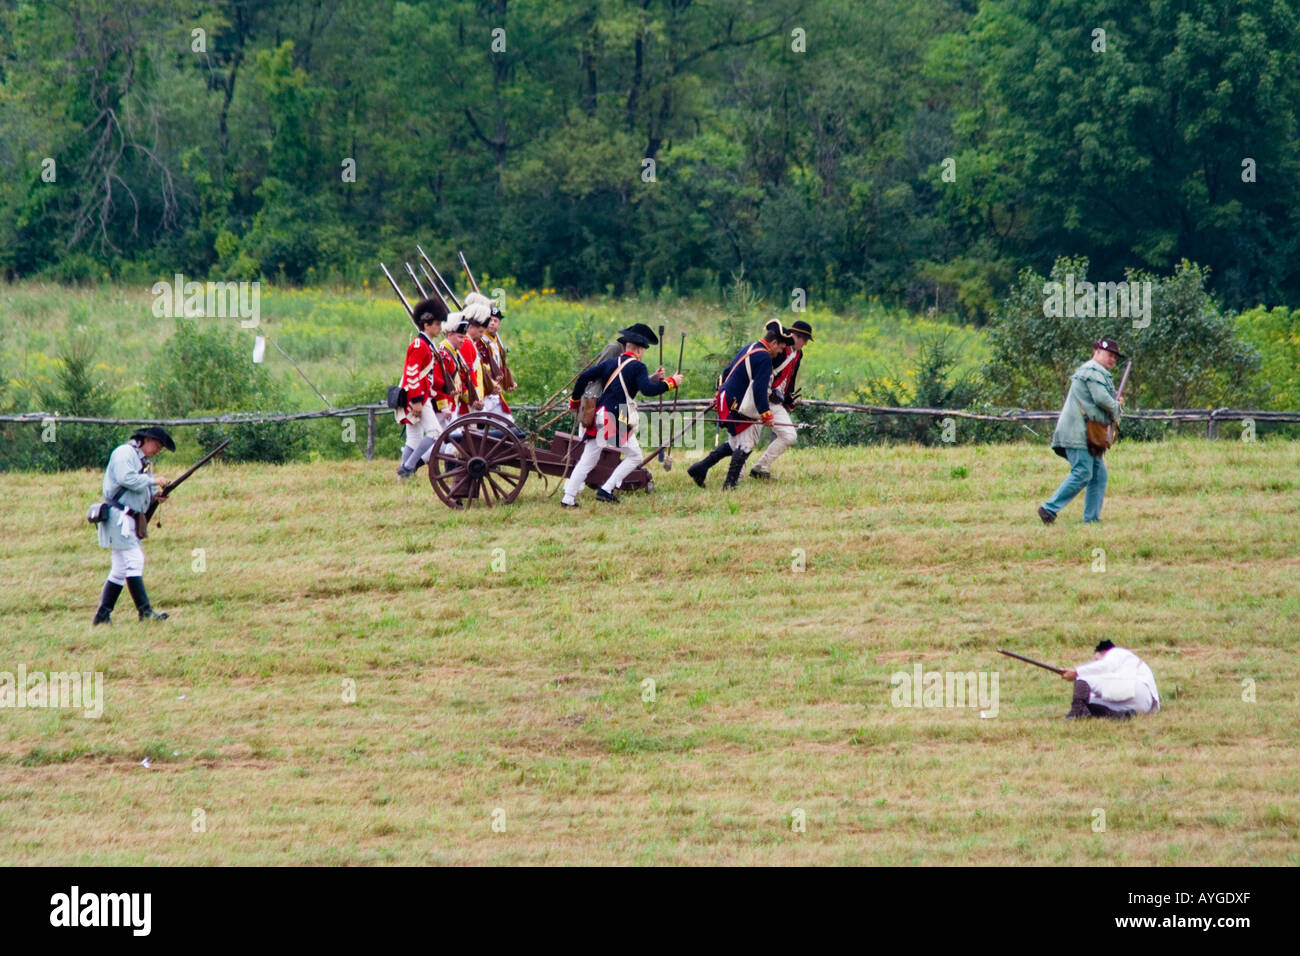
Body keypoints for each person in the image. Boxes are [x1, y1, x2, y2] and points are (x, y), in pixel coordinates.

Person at [560, 323, 682, 507]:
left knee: (588, 459)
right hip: (615, 418)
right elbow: (648, 390)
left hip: (600, 414)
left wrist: (575, 401)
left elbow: (584, 377)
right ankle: (606, 489)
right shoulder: (638, 367)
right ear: (640, 349)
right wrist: (671, 382)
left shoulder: (611, 363)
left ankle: (568, 498)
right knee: (635, 456)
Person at [687, 320, 792, 489]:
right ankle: (730, 484)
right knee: (746, 444)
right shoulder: (764, 357)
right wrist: (767, 414)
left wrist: (718, 393)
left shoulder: (750, 347)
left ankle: (700, 468)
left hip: (727, 398)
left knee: (735, 443)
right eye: (780, 347)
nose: (780, 351)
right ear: (773, 343)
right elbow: (759, 389)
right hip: (737, 403)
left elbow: (727, 372)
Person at [1039, 337, 1124, 524]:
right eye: (1110, 355)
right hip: (1077, 433)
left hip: (1085, 434)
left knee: (1099, 475)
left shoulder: (1097, 372)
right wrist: (1116, 406)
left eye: (1115, 357)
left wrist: (1115, 404)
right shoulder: (1092, 371)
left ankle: (1091, 519)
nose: (1112, 360)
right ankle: (1049, 508)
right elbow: (1101, 399)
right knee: (1083, 472)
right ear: (1098, 352)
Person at [92, 427, 173, 624]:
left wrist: (156, 495)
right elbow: (126, 479)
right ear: (147, 439)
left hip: (128, 518)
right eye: (157, 445)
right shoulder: (124, 453)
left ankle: (102, 615)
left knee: (120, 568)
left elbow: (143, 487)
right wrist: (153, 480)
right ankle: (145, 612)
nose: (158, 450)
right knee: (135, 560)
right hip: (119, 516)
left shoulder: (143, 461)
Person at [750, 319, 812, 479]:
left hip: (776, 401)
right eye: (804, 340)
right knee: (748, 441)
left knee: (789, 435)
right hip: (759, 397)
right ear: (796, 336)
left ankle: (760, 467)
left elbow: (791, 377)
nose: (805, 343)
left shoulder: (798, 354)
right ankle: (736, 477)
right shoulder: (778, 349)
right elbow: (762, 372)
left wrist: (788, 398)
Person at [395, 298, 448, 479]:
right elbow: (412, 373)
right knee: (435, 433)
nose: (440, 328)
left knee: (414, 438)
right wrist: (417, 401)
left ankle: (403, 476)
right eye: (437, 324)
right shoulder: (420, 345)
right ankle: (408, 467)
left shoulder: (427, 344)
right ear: (427, 325)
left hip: (421, 396)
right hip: (416, 397)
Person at [1062, 640, 1160, 719]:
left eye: (1096, 660)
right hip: (1142, 706)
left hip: (1135, 688)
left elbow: (1105, 666)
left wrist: (1076, 672)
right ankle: (1121, 716)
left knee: (1083, 679)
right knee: (1090, 704)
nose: (1095, 664)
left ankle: (1076, 712)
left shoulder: (1116, 652)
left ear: (1103, 652)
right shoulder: (1127, 663)